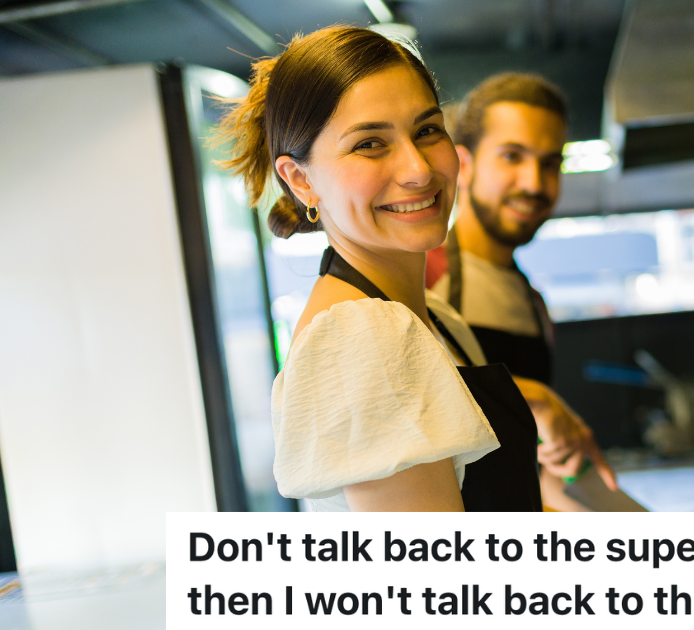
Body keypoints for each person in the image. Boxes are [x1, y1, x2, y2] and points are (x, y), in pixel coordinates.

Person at [215, 26, 541, 512]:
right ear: (301, 180)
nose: (418, 170)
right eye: (370, 144)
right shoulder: (362, 335)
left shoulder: (430, 319)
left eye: (427, 131)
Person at [427, 73, 616, 506]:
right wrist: (533, 395)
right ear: (465, 165)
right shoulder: (421, 281)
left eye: (550, 163)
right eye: (512, 156)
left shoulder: (533, 304)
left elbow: (531, 468)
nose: (534, 183)